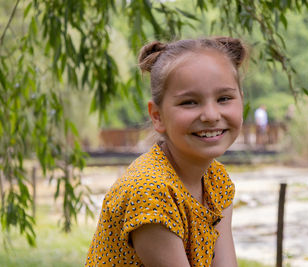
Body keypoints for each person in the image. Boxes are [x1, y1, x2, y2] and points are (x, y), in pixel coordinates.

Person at [85, 37, 248, 267]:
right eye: (189, 102)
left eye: (224, 99)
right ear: (157, 116)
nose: (211, 115)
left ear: (241, 100)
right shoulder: (150, 191)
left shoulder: (216, 180)